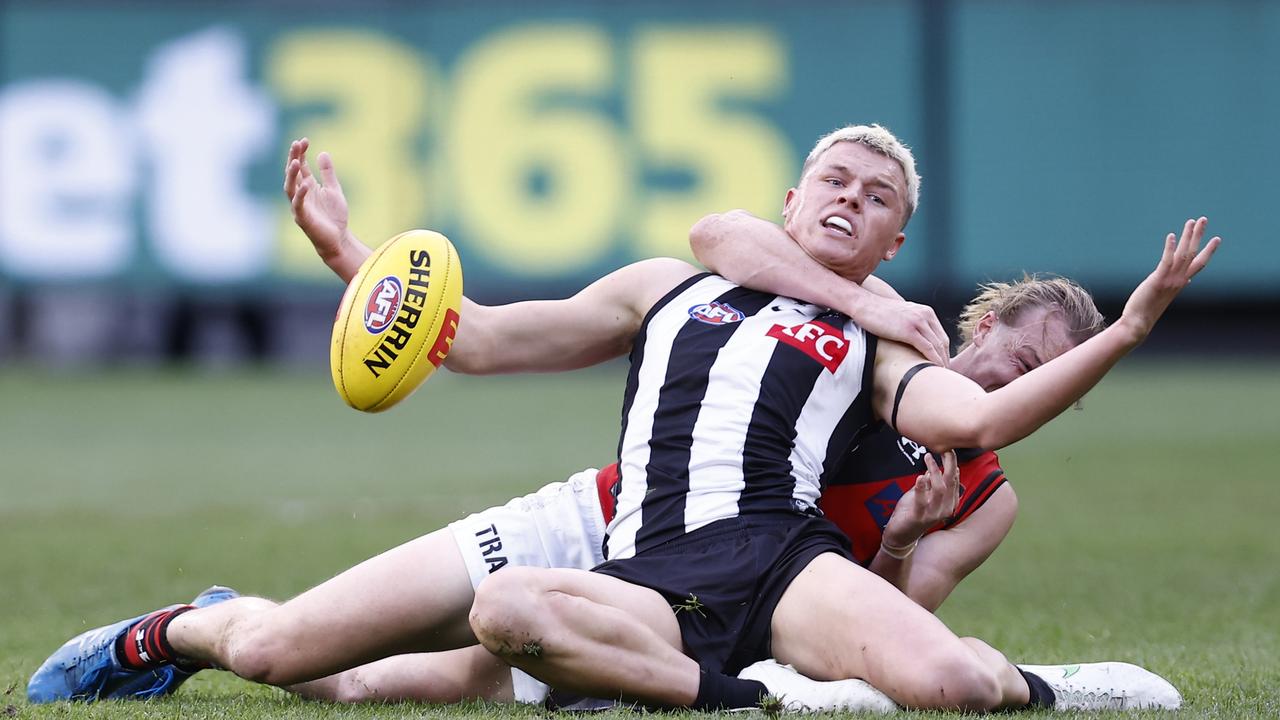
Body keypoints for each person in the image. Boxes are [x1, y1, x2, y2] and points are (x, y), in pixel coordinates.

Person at [27, 127, 1212, 713]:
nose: (851, 199)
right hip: (604, 530)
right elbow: (475, 339)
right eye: (834, 182)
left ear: (899, 239)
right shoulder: (670, 282)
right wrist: (351, 255)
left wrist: (1128, 329)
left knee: (942, 684)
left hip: (759, 555)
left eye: (879, 198)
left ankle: (1027, 688)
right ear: (791, 195)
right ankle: (181, 633)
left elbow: (978, 408)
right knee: (301, 661)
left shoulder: (885, 337)